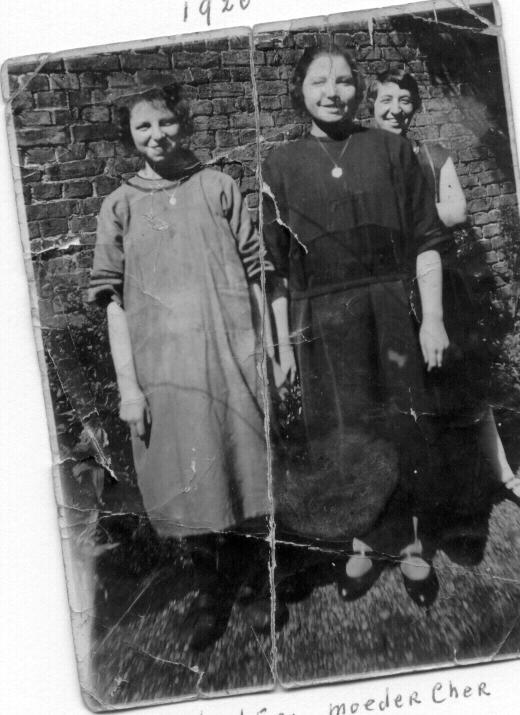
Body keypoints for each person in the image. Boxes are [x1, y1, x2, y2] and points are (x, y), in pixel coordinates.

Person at [89, 84, 277, 648]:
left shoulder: (220, 187)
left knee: (244, 469)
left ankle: (260, 581)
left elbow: (256, 273)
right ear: (128, 136)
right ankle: (208, 591)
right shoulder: (119, 205)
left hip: (229, 360)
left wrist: (266, 349)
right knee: (188, 481)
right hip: (163, 371)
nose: (156, 136)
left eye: (165, 122)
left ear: (184, 123)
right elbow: (113, 301)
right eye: (142, 127)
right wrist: (129, 389)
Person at [262, 47, 452, 596]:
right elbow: (275, 272)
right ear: (300, 90)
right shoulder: (278, 165)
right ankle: (364, 545)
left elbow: (428, 241)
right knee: (346, 434)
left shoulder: (392, 150)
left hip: (392, 309)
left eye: (344, 81)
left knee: (403, 426)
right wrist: (282, 349)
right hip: (322, 320)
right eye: (319, 82)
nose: (333, 92)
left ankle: (413, 547)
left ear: (358, 89)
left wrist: (432, 318)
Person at [369, 68, 520, 513]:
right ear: (370, 106)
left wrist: (401, 217)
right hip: (386, 292)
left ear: (415, 106)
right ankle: (412, 499)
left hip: (439, 286)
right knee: (397, 395)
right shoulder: (359, 158)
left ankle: (504, 474)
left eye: (405, 99)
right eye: (386, 99)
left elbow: (457, 210)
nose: (396, 108)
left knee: (463, 385)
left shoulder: (433, 155)